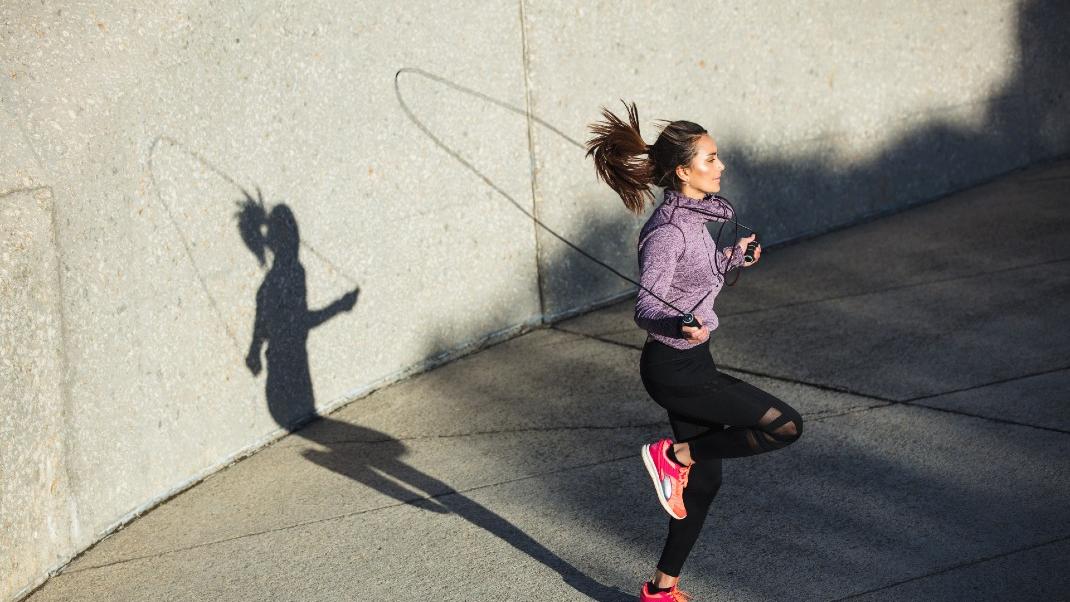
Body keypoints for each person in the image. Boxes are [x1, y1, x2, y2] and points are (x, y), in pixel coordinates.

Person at [585, 101, 804, 601]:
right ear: (683, 171)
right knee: (784, 425)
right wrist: (677, 325)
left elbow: (697, 284)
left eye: (717, 156)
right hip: (673, 367)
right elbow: (646, 307)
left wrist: (733, 259)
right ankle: (673, 454)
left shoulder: (698, 220)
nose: (720, 165)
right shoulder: (666, 232)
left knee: (703, 487)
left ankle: (661, 591)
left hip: (691, 362)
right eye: (710, 159)